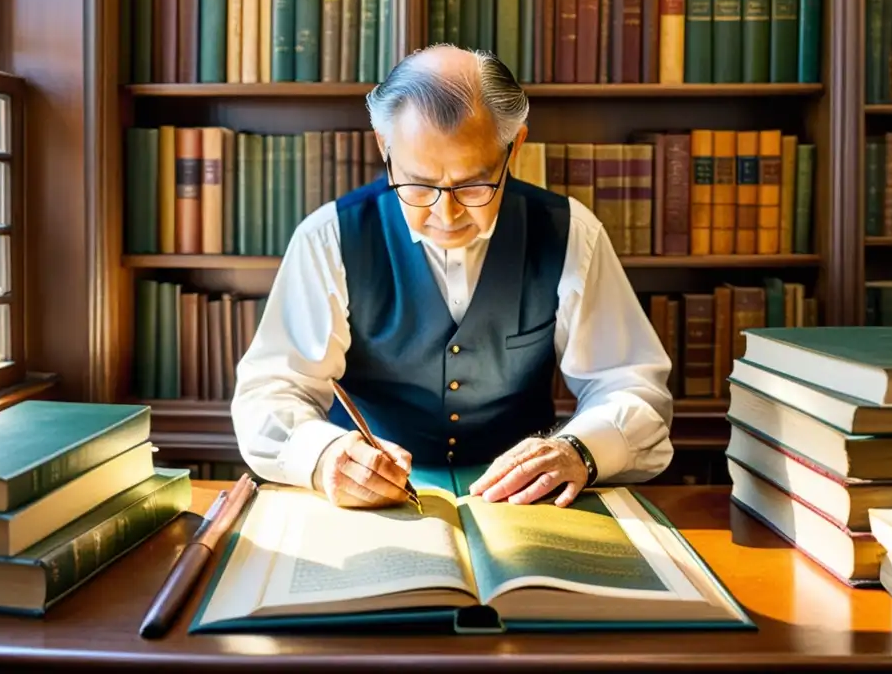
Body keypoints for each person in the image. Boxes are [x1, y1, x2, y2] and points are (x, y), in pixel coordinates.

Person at [230, 44, 673, 510]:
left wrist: (577, 450)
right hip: (370, 507)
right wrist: (324, 457)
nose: (447, 212)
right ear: (385, 146)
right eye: (419, 184)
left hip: (523, 507)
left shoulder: (570, 233)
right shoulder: (330, 238)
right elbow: (270, 391)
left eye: (473, 184)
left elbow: (631, 386)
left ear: (513, 148)